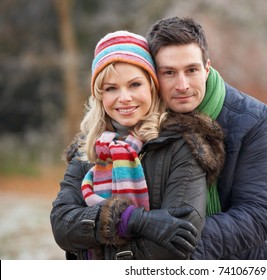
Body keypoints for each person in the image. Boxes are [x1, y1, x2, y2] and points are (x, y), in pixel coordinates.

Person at [50, 30, 225, 260]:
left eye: (134, 85)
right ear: (100, 95)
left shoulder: (182, 144)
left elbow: (178, 241)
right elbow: (62, 227)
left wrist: (96, 240)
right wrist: (133, 219)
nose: (124, 98)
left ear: (152, 87)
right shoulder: (87, 150)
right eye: (111, 88)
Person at [146, 16, 267, 259]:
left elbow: (257, 215)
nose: (182, 85)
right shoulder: (142, 121)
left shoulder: (256, 120)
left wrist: (176, 249)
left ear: (206, 68)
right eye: (169, 72)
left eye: (191, 70)